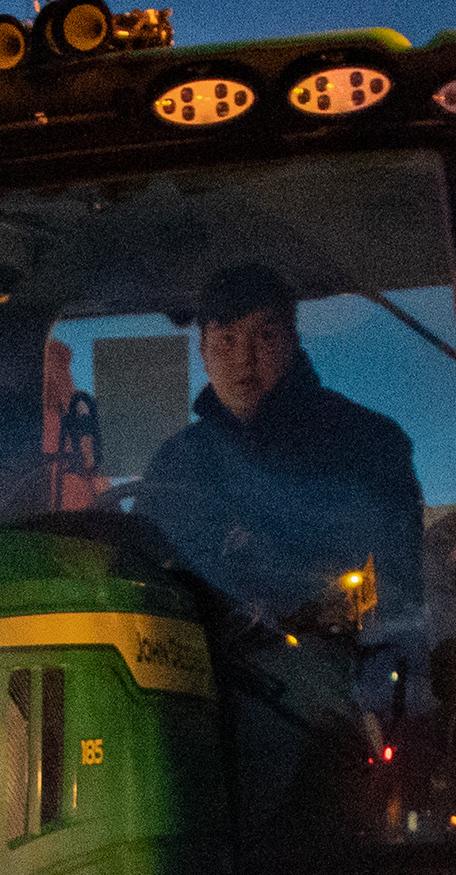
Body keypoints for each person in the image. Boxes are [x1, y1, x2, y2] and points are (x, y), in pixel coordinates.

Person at [123, 263, 428, 639]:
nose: (244, 359)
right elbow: (139, 577)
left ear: (292, 341)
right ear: (203, 348)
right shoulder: (176, 462)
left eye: (265, 336)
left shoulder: (367, 443)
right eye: (227, 339)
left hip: (335, 672)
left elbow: (398, 589)